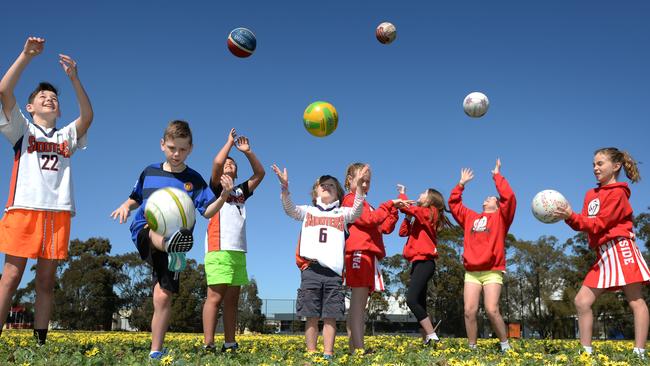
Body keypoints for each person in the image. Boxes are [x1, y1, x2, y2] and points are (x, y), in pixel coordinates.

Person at [111, 120, 231, 360]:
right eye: (172, 148)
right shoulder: (150, 172)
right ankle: (168, 243)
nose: (177, 154)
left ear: (191, 149)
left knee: (162, 296)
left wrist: (224, 195)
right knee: (154, 232)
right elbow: (135, 198)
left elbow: (207, 211)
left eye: (183, 149)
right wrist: (125, 205)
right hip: (146, 230)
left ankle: (155, 350)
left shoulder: (194, 179)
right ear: (162, 145)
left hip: (179, 238)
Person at [0, 37, 93, 345]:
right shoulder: (22, 129)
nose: (49, 99)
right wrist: (26, 55)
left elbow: (88, 116)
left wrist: (75, 79)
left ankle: (40, 343)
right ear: (30, 106)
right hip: (24, 208)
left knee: (46, 281)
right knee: (11, 277)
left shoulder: (66, 135)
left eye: (53, 97)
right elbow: (3, 90)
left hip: (58, 212)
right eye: (42, 96)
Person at [555, 147, 649, 359]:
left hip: (620, 247)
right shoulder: (591, 194)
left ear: (616, 167)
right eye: (593, 164)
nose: (595, 168)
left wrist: (572, 216)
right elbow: (587, 225)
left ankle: (639, 352)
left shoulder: (618, 194)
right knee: (581, 301)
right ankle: (586, 353)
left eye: (600, 164)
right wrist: (569, 216)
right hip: (603, 253)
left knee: (635, 300)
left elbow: (600, 223)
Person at [272, 163, 367, 361]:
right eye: (322, 184)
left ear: (338, 194)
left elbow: (357, 211)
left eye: (331, 185)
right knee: (311, 315)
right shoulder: (308, 211)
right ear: (315, 191)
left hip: (333, 273)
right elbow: (289, 209)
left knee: (331, 315)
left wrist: (358, 187)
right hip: (311, 270)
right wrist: (284, 187)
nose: (327, 186)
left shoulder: (341, 213)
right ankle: (311, 353)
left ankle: (328, 354)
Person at [202, 128, 265, 352]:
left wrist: (247, 152)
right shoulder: (216, 187)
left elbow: (260, 174)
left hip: (238, 251)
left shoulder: (240, 191)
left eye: (233, 163)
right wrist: (228, 143)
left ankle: (230, 343)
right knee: (215, 298)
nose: (229, 163)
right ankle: (208, 344)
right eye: (227, 162)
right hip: (218, 248)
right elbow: (217, 163)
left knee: (232, 302)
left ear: (237, 172)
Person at [448, 159, 515, 352]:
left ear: (498, 204)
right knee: (469, 311)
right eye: (486, 198)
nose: (487, 198)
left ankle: (505, 346)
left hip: (492, 270)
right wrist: (461, 184)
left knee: (492, 309)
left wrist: (497, 175)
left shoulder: (501, 218)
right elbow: (454, 204)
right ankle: (472, 348)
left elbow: (509, 196)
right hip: (472, 271)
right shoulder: (471, 217)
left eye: (491, 197)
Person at [342, 163, 398, 353]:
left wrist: (395, 209)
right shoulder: (350, 200)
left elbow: (383, 227)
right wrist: (389, 204)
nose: (365, 185)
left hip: (367, 253)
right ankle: (358, 349)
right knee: (358, 306)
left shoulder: (367, 205)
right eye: (361, 180)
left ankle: (354, 348)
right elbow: (370, 220)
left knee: (360, 306)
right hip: (359, 252)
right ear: (350, 180)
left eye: (368, 181)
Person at [397, 184, 452, 345]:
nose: (420, 194)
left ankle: (432, 336)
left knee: (411, 300)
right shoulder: (420, 216)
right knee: (419, 302)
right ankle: (426, 339)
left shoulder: (430, 212)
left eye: (423, 193)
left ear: (430, 200)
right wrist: (408, 217)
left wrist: (402, 195)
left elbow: (407, 208)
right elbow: (403, 233)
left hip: (425, 262)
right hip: (417, 263)